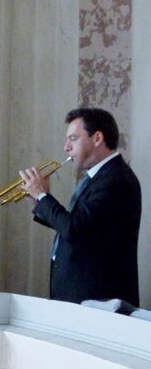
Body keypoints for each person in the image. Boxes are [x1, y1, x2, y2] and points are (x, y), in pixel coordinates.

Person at [21, 107, 142, 306]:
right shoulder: (102, 176)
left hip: (98, 297)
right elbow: (84, 227)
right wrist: (39, 202)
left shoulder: (115, 179)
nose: (66, 147)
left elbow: (74, 228)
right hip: (84, 295)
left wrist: (43, 197)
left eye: (73, 138)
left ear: (97, 138)